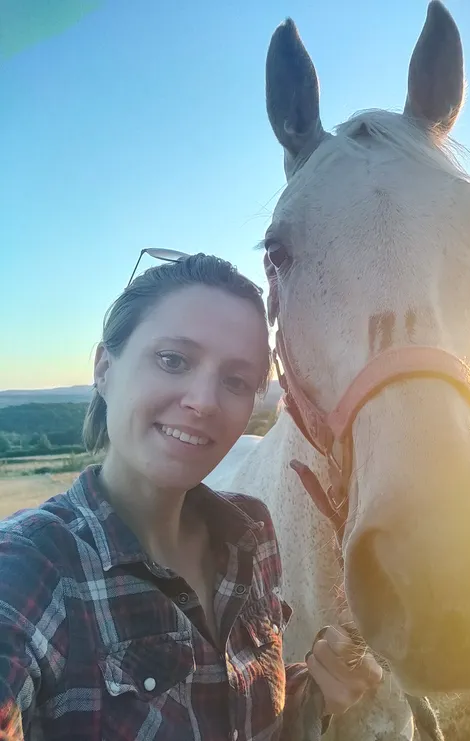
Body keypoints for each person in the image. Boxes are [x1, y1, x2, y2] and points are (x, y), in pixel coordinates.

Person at [0, 253, 382, 739]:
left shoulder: (251, 534)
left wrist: (318, 692)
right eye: (172, 360)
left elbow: (241, 716)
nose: (203, 401)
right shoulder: (31, 568)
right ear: (103, 368)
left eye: (236, 381)